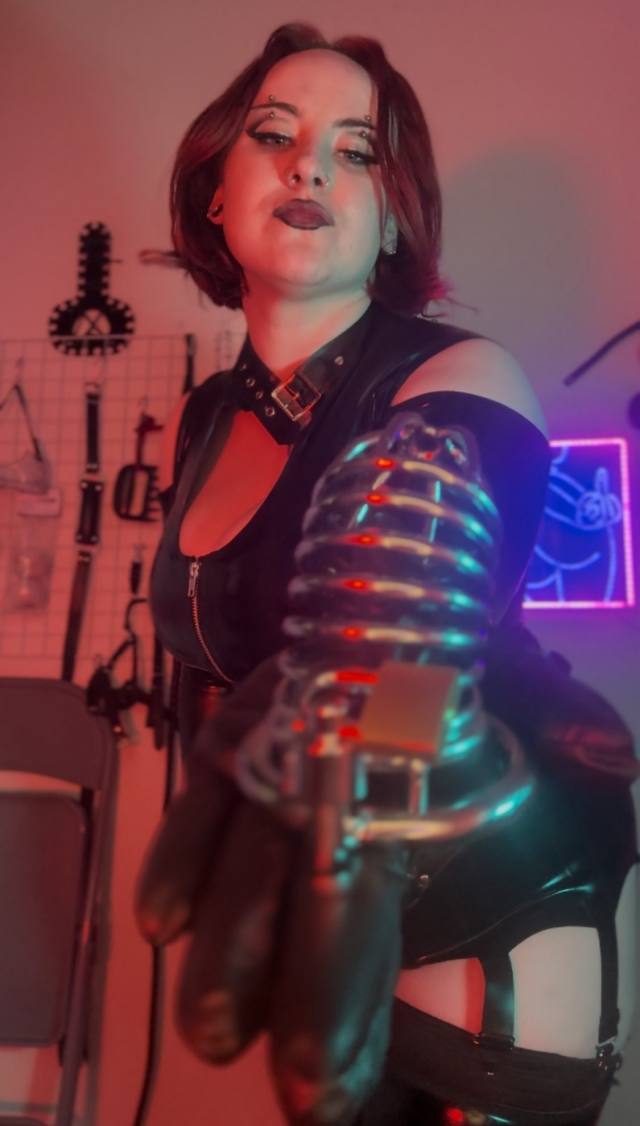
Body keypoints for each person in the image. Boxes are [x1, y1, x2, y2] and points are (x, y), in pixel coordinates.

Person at [135, 23, 638, 1126]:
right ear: (214, 192)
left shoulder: (460, 375)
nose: (309, 166)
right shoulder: (203, 420)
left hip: (489, 904)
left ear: (393, 216)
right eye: (275, 134)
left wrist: (355, 724)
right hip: (326, 893)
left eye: (355, 150)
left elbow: (421, 615)